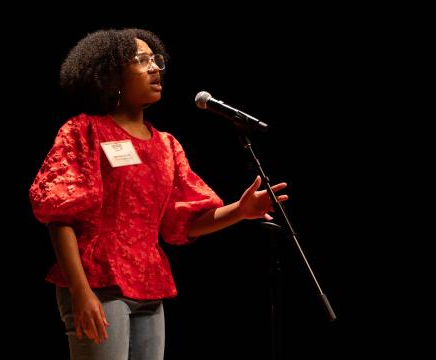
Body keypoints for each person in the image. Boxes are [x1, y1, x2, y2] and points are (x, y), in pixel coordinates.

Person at [29, 27, 288, 360]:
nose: (155, 69)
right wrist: (80, 292)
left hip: (149, 283)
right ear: (111, 74)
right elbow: (59, 216)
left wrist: (240, 210)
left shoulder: (166, 145)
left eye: (156, 60)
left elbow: (184, 222)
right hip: (97, 280)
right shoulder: (85, 130)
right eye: (141, 60)